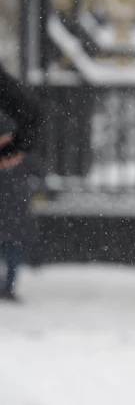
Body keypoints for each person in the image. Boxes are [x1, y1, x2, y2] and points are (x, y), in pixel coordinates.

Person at [0, 64, 43, 302]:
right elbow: (33, 115)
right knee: (12, 245)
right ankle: (8, 286)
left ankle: (6, 285)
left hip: (10, 198)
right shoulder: (15, 133)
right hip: (14, 199)